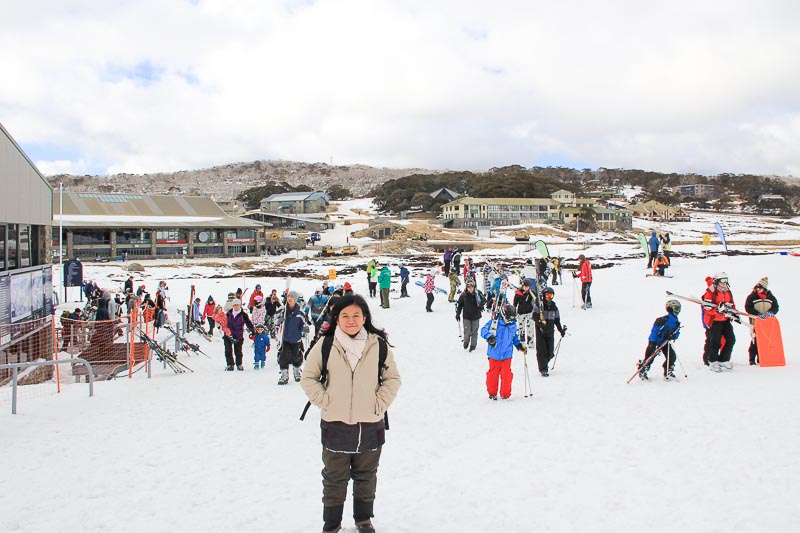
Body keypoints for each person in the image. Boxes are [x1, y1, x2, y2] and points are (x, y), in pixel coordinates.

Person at [300, 294, 401, 533]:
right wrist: (326, 400)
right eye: (345, 315)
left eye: (356, 315)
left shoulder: (378, 345)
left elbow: (392, 379)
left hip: (370, 422)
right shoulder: (325, 344)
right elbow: (309, 378)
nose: (351, 320)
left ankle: (363, 519)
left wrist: (380, 403)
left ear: (364, 317)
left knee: (366, 475)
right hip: (335, 422)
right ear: (336, 319)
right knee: (334, 477)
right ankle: (331, 524)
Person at [481, 303, 526, 400]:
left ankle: (505, 394)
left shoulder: (513, 325)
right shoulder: (495, 322)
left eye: (512, 318)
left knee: (507, 375)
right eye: (510, 318)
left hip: (507, 354)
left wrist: (519, 345)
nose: (511, 320)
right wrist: (489, 337)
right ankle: (492, 393)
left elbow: (514, 337)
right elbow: (483, 330)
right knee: (493, 374)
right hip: (494, 354)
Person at [702, 272, 738, 372]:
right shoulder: (711, 292)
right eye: (722, 281)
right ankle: (712, 361)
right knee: (715, 342)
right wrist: (717, 310)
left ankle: (724, 359)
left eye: (726, 281)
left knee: (731, 339)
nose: (724, 283)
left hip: (725, 320)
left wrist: (734, 313)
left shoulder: (728, 291)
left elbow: (732, 304)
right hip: (714, 321)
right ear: (717, 281)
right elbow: (707, 307)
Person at [638, 300, 681, 380]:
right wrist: (653, 343)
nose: (677, 311)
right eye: (676, 308)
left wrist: (672, 336)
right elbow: (654, 331)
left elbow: (677, 332)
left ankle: (668, 371)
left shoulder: (676, 322)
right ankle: (643, 370)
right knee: (650, 357)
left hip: (664, 342)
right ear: (670, 309)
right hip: (654, 342)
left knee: (672, 356)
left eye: (678, 309)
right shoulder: (663, 320)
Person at [744, 277, 779, 365]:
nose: (757, 289)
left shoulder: (771, 297)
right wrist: (757, 314)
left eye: (760, 288)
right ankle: (752, 359)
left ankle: (762, 358)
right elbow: (748, 307)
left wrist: (772, 312)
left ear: (764, 289)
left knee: (765, 340)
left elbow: (776, 307)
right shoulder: (751, 297)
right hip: (755, 322)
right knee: (755, 340)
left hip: (767, 323)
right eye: (756, 287)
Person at [532, 286, 566, 377]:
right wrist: (540, 324)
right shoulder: (539, 305)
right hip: (541, 332)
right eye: (547, 295)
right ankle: (543, 369)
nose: (549, 297)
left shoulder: (554, 306)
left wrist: (561, 330)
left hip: (550, 332)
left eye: (551, 295)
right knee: (541, 350)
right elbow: (534, 316)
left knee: (550, 352)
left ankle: (544, 363)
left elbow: (557, 320)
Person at [278, 291, 307, 385]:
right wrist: (279, 321)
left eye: (292, 297)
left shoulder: (300, 312)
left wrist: (305, 328)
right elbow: (275, 320)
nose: (289, 298)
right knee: (284, 356)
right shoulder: (283, 310)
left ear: (295, 299)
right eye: (288, 296)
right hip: (284, 338)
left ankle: (297, 372)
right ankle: (284, 375)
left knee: (296, 356)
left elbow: (303, 323)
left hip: (296, 338)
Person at [224, 299, 254, 371]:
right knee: (228, 350)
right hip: (228, 334)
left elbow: (248, 323)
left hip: (238, 335)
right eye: (235, 305)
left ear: (240, 305)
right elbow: (223, 322)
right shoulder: (229, 313)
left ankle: (239, 364)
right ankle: (230, 364)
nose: (236, 307)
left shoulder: (243, 314)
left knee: (238, 351)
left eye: (237, 305)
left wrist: (253, 331)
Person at [455, 279, 484, 352]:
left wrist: (481, 305)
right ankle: (466, 341)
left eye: (472, 286)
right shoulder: (463, 295)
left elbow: (484, 299)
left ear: (474, 286)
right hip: (466, 316)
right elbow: (459, 305)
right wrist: (458, 313)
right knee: (467, 330)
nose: (470, 288)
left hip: (476, 316)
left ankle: (473, 345)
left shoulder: (478, 293)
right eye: (468, 287)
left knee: (474, 331)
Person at [513, 279, 535, 345]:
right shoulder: (518, 293)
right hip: (521, 313)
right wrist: (514, 311)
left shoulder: (531, 293)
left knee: (530, 326)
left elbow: (535, 301)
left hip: (529, 312)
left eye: (528, 286)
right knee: (521, 326)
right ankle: (522, 340)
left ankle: (530, 341)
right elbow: (515, 303)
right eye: (525, 286)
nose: (526, 288)